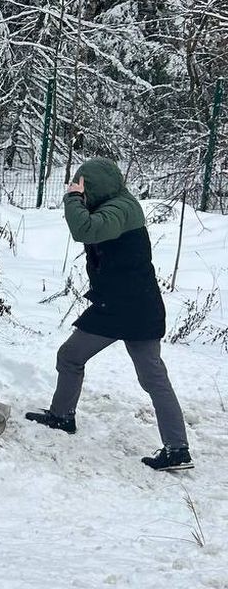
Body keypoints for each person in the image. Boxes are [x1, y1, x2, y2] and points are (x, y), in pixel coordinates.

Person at [25, 157, 192, 471]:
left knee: (74, 357)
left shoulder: (119, 211)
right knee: (150, 376)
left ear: (96, 187)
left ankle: (63, 417)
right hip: (135, 305)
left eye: (84, 188)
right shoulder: (121, 204)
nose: (81, 194)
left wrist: (72, 199)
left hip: (123, 308)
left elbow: (84, 229)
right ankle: (177, 448)